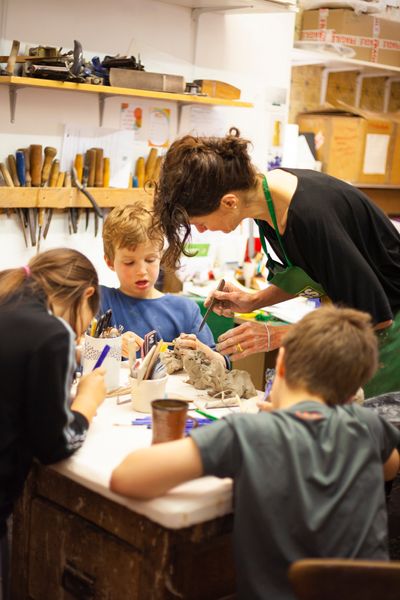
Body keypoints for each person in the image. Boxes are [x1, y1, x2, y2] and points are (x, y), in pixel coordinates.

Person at [110, 306, 400, 600]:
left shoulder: (248, 432)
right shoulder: (368, 426)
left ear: (282, 363)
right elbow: (389, 468)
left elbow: (126, 478)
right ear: (354, 392)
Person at [152, 129, 400, 398]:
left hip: (389, 336)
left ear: (229, 202)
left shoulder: (309, 217)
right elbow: (314, 272)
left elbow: (372, 318)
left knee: (370, 430)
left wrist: (276, 334)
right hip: (368, 321)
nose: (201, 230)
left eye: (200, 222)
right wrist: (255, 301)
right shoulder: (266, 200)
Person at [0, 248, 106, 600]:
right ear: (87, 294)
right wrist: (87, 402)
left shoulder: (6, 293)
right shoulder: (52, 333)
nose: (80, 335)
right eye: (86, 324)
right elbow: (54, 444)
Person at [100, 203, 229, 368]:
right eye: (129, 262)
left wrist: (202, 351)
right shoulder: (100, 302)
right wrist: (110, 345)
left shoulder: (184, 310)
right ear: (110, 262)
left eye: (150, 260)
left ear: (160, 255)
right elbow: (77, 355)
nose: (141, 271)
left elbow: (223, 365)